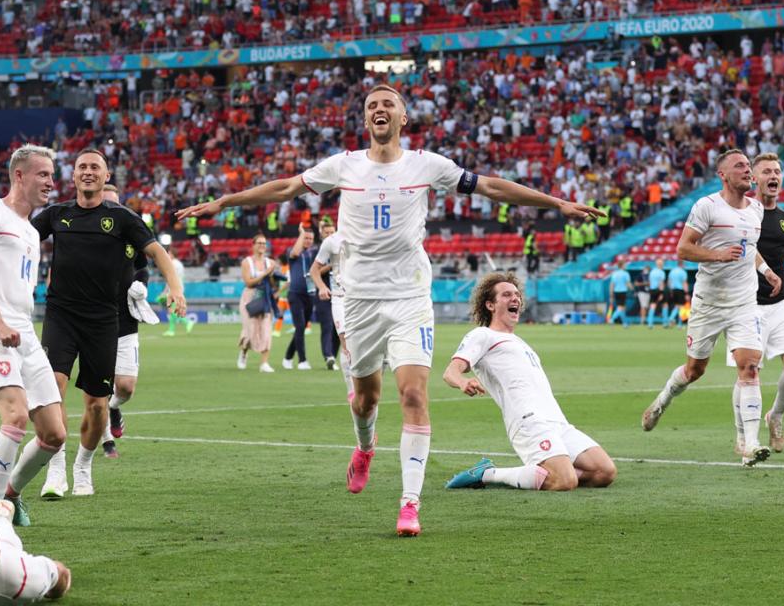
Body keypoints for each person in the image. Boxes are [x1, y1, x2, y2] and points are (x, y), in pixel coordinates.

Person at [175, 84, 601, 536]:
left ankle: (410, 504)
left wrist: (554, 202)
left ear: (403, 119)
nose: (380, 109)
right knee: (366, 400)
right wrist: (225, 201)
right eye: (372, 105)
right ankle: (365, 446)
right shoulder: (344, 165)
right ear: (365, 121)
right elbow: (285, 188)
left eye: (388, 105)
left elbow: (491, 186)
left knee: (414, 395)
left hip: (409, 299)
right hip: (358, 300)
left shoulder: (426, 164)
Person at [33, 148, 186, 498]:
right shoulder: (56, 215)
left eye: (95, 168)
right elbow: (19, 239)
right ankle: (55, 469)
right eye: (82, 167)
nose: (88, 172)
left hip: (103, 320)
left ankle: (83, 465)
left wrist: (175, 287)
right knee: (52, 388)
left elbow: (158, 252)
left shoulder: (122, 218)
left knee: (98, 404)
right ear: (72, 176)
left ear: (105, 176)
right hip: (60, 315)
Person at [640, 149, 783, 467]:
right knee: (694, 371)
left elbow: (750, 248)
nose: (747, 170)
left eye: (748, 165)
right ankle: (663, 401)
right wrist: (717, 255)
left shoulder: (756, 210)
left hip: (744, 302)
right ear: (723, 174)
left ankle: (749, 444)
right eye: (740, 166)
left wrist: (766, 270)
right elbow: (683, 248)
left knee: (750, 367)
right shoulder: (707, 207)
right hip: (708, 303)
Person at [0, 144, 69, 524]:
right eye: (43, 175)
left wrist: (16, 327)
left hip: (23, 333)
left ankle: (10, 495)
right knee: (16, 415)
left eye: (53, 176)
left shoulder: (30, 232)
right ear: (19, 176)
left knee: (55, 433)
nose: (51, 183)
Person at [443, 273, 617, 490]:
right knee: (564, 481)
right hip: (528, 421)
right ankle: (487, 474)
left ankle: (547, 473)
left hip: (557, 421)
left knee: (604, 472)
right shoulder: (482, 335)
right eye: (506, 295)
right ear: (490, 305)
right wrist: (462, 382)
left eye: (517, 294)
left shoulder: (520, 342)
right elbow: (450, 371)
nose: (515, 298)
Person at [724, 153, 784, 455]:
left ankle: (775, 416)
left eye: (777, 171)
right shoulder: (742, 215)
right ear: (754, 179)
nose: (773, 176)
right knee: (748, 370)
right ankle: (742, 436)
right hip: (745, 305)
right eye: (766, 171)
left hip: (780, 303)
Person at [100, 184, 159, 458]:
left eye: (115, 204)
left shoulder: (129, 232)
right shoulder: (86, 235)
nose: (111, 209)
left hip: (125, 318)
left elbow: (143, 266)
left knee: (125, 387)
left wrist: (141, 285)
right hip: (94, 319)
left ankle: (114, 406)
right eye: (106, 203)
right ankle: (106, 441)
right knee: (97, 387)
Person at [311, 217, 353, 401]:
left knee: (362, 344)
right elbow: (314, 270)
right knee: (346, 342)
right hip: (339, 299)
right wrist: (321, 287)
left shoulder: (366, 237)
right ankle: (351, 389)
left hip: (361, 298)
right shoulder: (331, 242)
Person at [237, 232, 278, 373]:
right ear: (253, 245)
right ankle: (243, 353)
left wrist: (273, 277)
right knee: (250, 330)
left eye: (264, 243)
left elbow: (273, 284)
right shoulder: (246, 262)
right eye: (259, 243)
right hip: (250, 297)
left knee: (266, 329)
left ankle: (264, 363)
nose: (262, 246)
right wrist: (265, 274)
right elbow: (248, 282)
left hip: (265, 297)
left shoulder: (271, 262)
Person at [281, 226, 317, 371]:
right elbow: (295, 252)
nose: (307, 241)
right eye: (305, 238)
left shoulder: (313, 253)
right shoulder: (293, 251)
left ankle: (288, 357)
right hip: (295, 294)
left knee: (301, 329)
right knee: (300, 327)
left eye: (310, 238)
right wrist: (302, 234)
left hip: (310, 294)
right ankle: (302, 360)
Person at [312, 217, 340, 370]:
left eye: (332, 232)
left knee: (338, 328)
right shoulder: (318, 250)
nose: (330, 235)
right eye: (327, 232)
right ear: (322, 234)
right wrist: (330, 265)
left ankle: (333, 357)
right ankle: (328, 355)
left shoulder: (340, 247)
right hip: (324, 293)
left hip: (340, 293)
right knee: (327, 324)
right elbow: (313, 271)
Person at [161, 246, 194, 336]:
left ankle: (187, 322)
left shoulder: (172, 264)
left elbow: (171, 278)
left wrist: (165, 291)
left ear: (171, 254)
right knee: (172, 310)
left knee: (172, 310)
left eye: (168, 253)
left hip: (174, 289)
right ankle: (172, 329)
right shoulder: (179, 264)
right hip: (179, 288)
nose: (167, 254)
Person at [608, 260, 632, 327]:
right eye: (625, 265)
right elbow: (628, 283)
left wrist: (611, 293)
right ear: (622, 265)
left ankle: (625, 323)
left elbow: (612, 284)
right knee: (620, 307)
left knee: (622, 308)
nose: (626, 266)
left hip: (616, 292)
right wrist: (632, 288)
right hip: (622, 292)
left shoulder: (614, 274)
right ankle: (612, 319)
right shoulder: (625, 273)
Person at [666, 259, 689, 327]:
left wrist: (670, 291)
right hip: (680, 290)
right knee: (682, 307)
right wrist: (686, 293)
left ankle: (671, 318)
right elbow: (684, 283)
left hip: (673, 290)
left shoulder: (672, 271)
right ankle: (679, 324)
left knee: (677, 306)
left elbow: (669, 282)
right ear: (682, 264)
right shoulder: (683, 272)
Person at [646, 259, 668, 328]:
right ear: (661, 264)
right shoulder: (661, 272)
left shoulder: (652, 272)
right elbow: (661, 283)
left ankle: (650, 323)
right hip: (659, 290)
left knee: (652, 305)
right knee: (665, 305)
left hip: (652, 290)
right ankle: (665, 323)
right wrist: (661, 293)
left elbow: (649, 282)